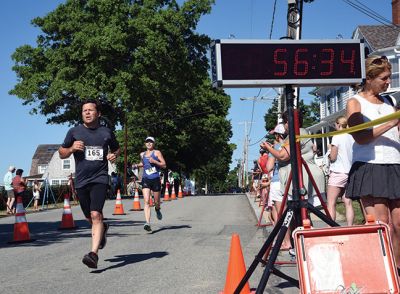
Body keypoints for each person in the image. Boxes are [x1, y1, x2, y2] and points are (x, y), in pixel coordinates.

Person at [345, 55, 400, 272]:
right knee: (382, 224)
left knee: (398, 224)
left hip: (394, 164)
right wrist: (391, 122)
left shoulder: (391, 102)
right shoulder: (355, 103)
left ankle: (396, 271)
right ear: (369, 78)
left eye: (389, 77)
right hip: (370, 165)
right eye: (384, 78)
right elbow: (361, 137)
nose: (388, 82)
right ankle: (382, 271)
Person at [59, 99, 120, 269]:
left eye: (90, 110)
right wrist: (71, 149)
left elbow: (117, 149)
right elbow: (61, 153)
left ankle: (93, 254)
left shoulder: (106, 132)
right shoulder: (74, 132)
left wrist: (114, 155)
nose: (86, 113)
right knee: (89, 217)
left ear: (98, 113)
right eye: (84, 110)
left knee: (95, 215)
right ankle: (103, 229)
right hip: (81, 180)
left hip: (100, 178)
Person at [265, 123, 292, 249]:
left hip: (277, 180)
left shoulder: (276, 147)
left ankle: (286, 241)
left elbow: (269, 168)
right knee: (292, 211)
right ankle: (293, 238)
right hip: (291, 179)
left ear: (277, 135)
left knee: (279, 213)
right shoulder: (291, 144)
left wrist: (270, 152)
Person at [132, 136, 166, 232]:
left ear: (153, 143)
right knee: (146, 201)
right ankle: (147, 222)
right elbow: (143, 163)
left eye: (151, 142)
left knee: (156, 202)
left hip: (155, 179)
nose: (149, 143)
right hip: (146, 179)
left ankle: (157, 209)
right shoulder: (142, 154)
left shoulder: (157, 152)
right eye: (147, 142)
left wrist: (155, 161)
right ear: (145, 143)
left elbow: (164, 164)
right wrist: (136, 165)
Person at [326, 116, 354, 226]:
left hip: (338, 172)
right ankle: (350, 226)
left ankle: (331, 227)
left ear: (338, 124)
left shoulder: (337, 136)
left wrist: (329, 152)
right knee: (348, 202)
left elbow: (333, 157)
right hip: (349, 172)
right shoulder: (351, 136)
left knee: (331, 203)